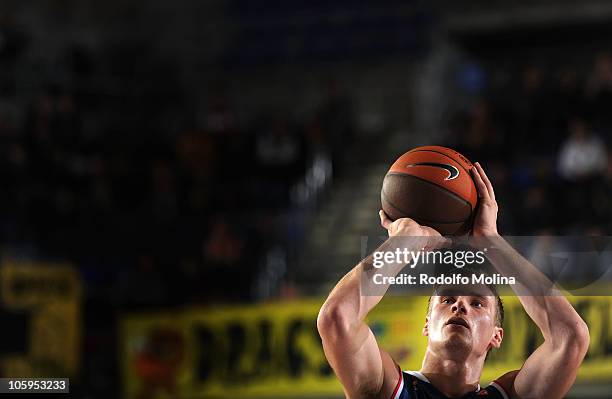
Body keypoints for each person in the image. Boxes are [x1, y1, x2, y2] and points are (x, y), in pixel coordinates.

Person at [317, 162, 589, 399]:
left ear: (496, 336)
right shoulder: (387, 389)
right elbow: (338, 316)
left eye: (478, 304)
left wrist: (491, 241)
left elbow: (571, 337)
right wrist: (407, 240)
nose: (460, 306)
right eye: (447, 299)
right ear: (426, 324)